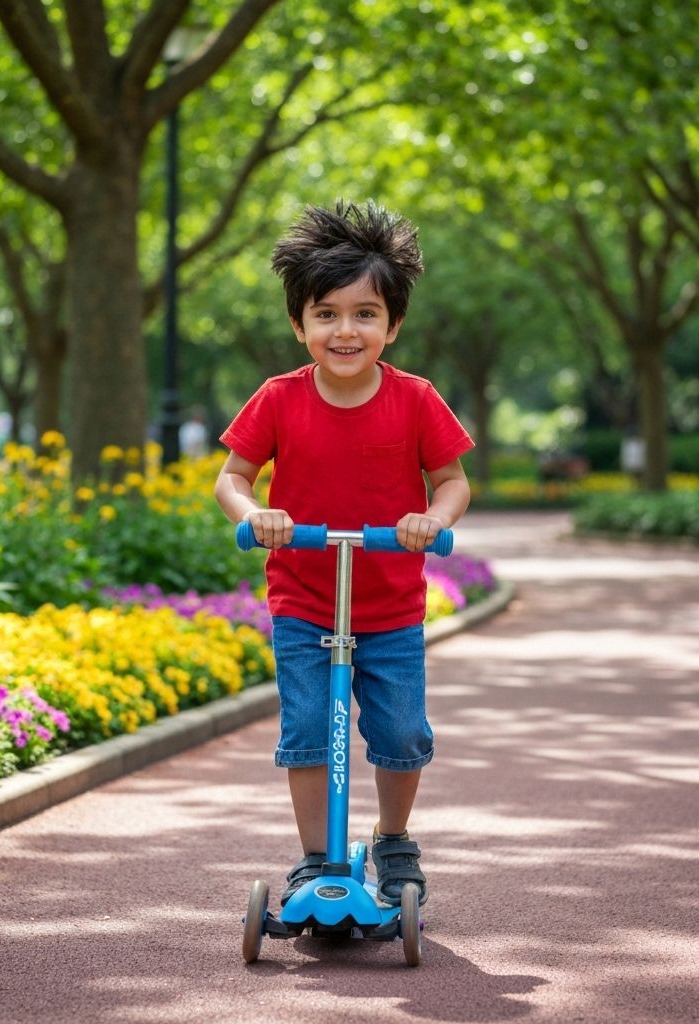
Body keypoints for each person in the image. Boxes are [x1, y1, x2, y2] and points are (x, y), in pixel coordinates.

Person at [214, 199, 473, 909]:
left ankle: (393, 840)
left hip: (388, 604)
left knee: (400, 730)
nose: (345, 329)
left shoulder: (417, 400)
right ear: (300, 326)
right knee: (306, 730)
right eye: (326, 313)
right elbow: (231, 477)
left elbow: (452, 480)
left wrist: (430, 517)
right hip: (303, 599)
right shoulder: (278, 399)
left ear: (392, 325)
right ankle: (315, 858)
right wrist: (255, 513)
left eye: (365, 313)